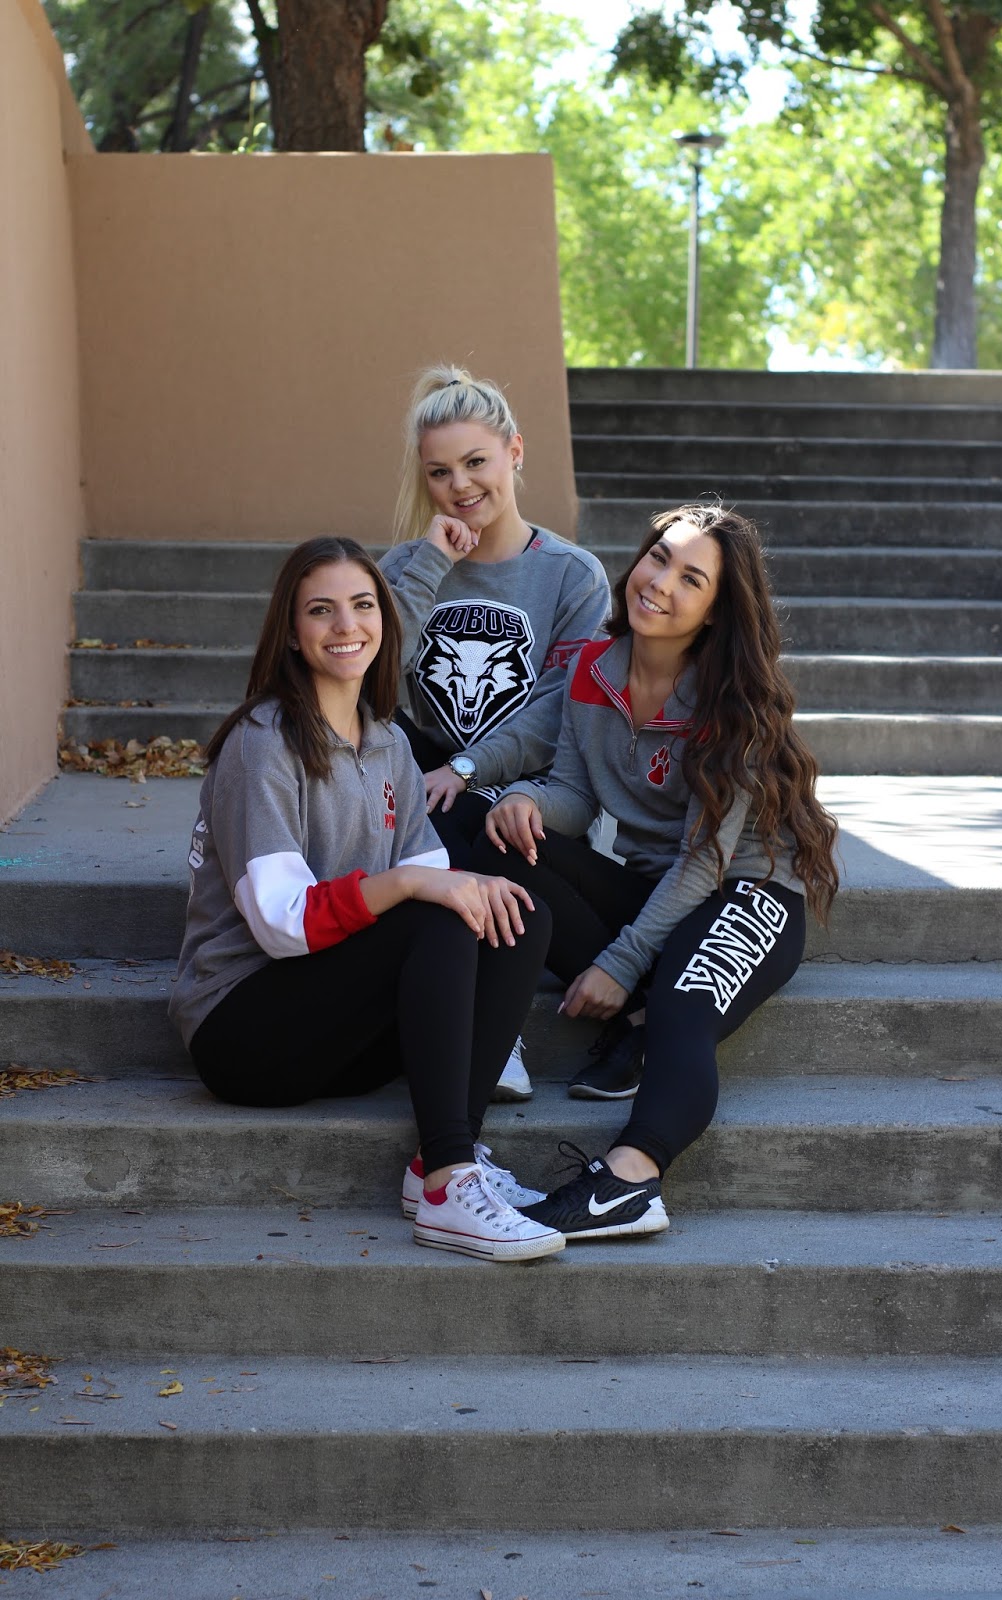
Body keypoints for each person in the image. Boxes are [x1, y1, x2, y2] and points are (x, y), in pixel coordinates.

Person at [168, 536, 563, 1264]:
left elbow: (437, 879)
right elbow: (283, 925)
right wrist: (411, 885)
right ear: (292, 632)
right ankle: (448, 1187)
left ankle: (443, 1159)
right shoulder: (262, 744)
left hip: (338, 1025)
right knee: (435, 918)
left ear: (385, 618)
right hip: (245, 1029)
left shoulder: (387, 745)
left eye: (362, 605)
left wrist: (447, 885)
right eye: (321, 610)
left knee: (516, 917)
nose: (346, 625)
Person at [476, 503, 839, 1241]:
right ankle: (640, 1005)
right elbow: (575, 794)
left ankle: (630, 1181)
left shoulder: (735, 704)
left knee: (684, 1004)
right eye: (659, 557)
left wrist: (620, 962)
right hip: (657, 890)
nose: (661, 583)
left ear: (716, 611)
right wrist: (525, 800)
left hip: (748, 892)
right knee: (495, 838)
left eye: (691, 579)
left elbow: (706, 858)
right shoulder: (593, 668)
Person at [378, 364, 611, 1102]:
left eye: (476, 461)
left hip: (525, 788)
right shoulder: (403, 567)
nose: (460, 485)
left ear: (515, 451)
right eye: (439, 472)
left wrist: (470, 768)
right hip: (434, 775)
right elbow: (369, 679)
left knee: (476, 827)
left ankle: (493, 1022)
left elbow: (557, 711)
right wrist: (431, 564)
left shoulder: (572, 575)